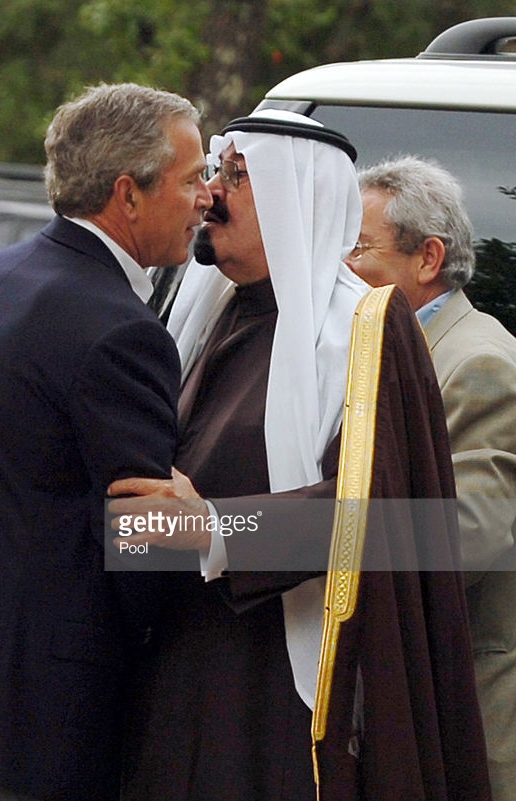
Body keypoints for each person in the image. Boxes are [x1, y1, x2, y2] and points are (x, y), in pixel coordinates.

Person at [110, 111, 490, 800]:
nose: (210, 194)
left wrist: (218, 528)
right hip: (178, 673)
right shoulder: (214, 312)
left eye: (237, 175)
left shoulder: (364, 330)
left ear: (299, 194)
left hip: (280, 696)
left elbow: (381, 518)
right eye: (213, 173)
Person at [0, 82, 211, 801]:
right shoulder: (120, 328)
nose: (206, 198)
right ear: (129, 195)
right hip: (23, 726)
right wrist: (207, 538)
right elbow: (143, 538)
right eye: (192, 179)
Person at [348, 155, 516, 800]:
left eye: (358, 249)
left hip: (459, 723)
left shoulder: (477, 362)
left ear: (428, 258)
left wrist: (275, 536)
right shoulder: (386, 347)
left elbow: (465, 537)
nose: (340, 270)